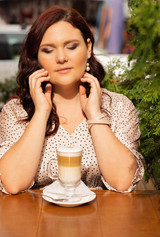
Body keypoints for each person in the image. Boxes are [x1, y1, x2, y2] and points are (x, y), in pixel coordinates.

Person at [0, 5, 144, 195]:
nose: (61, 57)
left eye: (71, 46)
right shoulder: (16, 112)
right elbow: (13, 183)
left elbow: (123, 181)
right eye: (48, 50)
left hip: (102, 221)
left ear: (88, 48)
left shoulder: (118, 107)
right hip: (35, 222)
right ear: (37, 59)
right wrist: (41, 113)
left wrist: (94, 115)